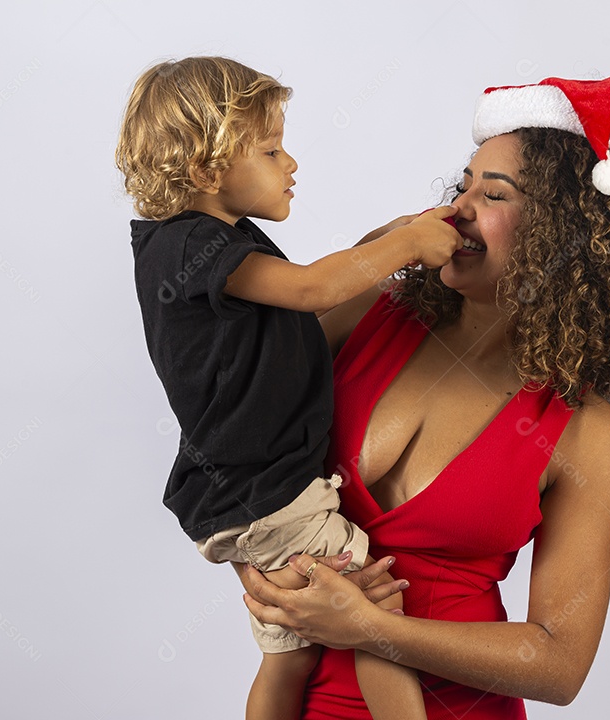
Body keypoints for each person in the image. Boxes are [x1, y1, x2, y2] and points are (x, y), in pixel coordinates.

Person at [236, 71, 610, 718]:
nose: (457, 208)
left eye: (494, 194)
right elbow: (229, 431)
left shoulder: (582, 432)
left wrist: (373, 629)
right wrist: (264, 581)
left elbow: (559, 663)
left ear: (567, 233)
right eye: (463, 185)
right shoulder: (368, 313)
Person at [115, 56, 461, 720]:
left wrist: (398, 233)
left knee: (289, 654)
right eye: (272, 150)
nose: (291, 163)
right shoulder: (188, 248)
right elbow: (313, 290)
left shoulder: (210, 242)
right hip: (265, 491)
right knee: (370, 612)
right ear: (206, 169)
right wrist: (408, 245)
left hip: (245, 494)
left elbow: (323, 285)